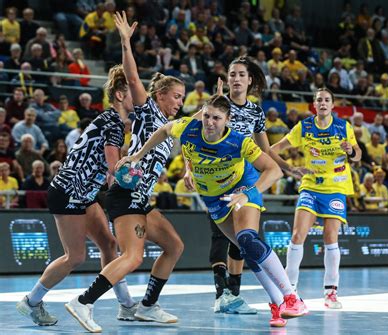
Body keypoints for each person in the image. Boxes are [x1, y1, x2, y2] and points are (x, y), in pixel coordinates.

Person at [118, 94, 308, 327]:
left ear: (227, 120)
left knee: (246, 238)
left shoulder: (239, 141)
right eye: (206, 116)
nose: (209, 122)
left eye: (216, 118)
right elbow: (165, 131)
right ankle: (278, 303)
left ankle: (292, 297)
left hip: (241, 188)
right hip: (214, 199)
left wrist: (248, 193)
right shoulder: (188, 127)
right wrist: (137, 155)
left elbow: (273, 171)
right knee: (245, 249)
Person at [65, 12, 185, 333]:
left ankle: (146, 307)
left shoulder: (171, 126)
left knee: (174, 246)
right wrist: (125, 43)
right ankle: (84, 302)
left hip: (142, 198)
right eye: (176, 96)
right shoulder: (149, 112)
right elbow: (132, 78)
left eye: (182, 98)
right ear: (160, 96)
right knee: (132, 257)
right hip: (126, 193)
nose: (179, 102)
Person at [16, 64, 135, 327]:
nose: (137, 96)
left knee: (108, 243)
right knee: (75, 256)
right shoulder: (114, 122)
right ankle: (32, 302)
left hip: (85, 192)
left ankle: (126, 305)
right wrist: (135, 173)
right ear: (119, 95)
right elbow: (115, 169)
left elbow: (107, 167)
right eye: (131, 91)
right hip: (68, 191)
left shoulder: (111, 121)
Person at [184, 56, 272, 314]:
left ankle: (233, 295)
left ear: (249, 80)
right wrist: (189, 168)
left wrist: (283, 168)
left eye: (241, 75)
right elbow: (191, 135)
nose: (235, 78)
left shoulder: (256, 111)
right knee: (219, 235)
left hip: (243, 179)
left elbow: (264, 149)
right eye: (232, 74)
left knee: (242, 241)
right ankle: (220, 293)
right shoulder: (215, 105)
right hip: (213, 177)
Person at [270, 88, 362, 309]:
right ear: (314, 105)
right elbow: (274, 149)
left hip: (336, 186)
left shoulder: (343, 127)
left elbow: (358, 155)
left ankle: (331, 293)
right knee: (297, 234)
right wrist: (291, 169)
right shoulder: (305, 127)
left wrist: (351, 151)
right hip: (311, 186)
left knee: (331, 238)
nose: (323, 103)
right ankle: (288, 291)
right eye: (319, 100)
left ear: (332, 106)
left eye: (327, 100)